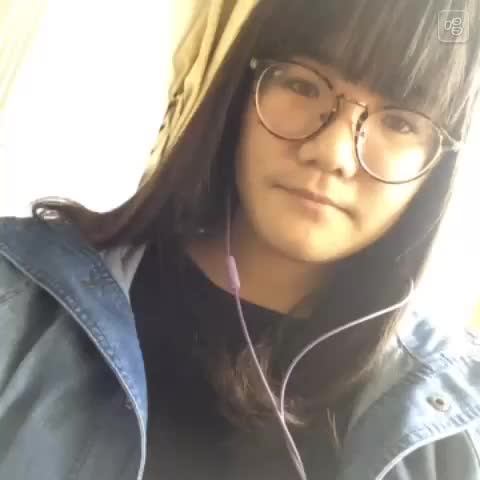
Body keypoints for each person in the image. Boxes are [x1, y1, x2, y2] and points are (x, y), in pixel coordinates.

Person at [1, 0, 480, 478]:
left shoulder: (455, 421)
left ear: (437, 166)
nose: (332, 152)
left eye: (400, 122)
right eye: (303, 85)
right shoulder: (19, 300)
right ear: (242, 94)